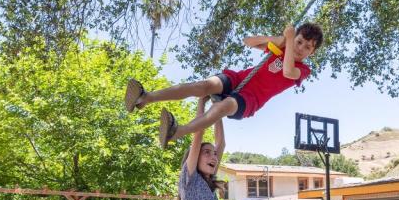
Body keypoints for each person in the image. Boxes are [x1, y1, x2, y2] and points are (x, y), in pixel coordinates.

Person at [125, 22, 323, 148]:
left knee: (223, 107)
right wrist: (276, 39)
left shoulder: (303, 70)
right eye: (299, 42)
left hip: (250, 99)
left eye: (307, 47)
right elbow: (248, 41)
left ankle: (177, 131)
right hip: (239, 79)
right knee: (203, 86)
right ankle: (146, 97)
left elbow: (288, 71)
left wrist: (290, 39)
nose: (300, 48)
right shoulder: (281, 47)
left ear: (311, 53)